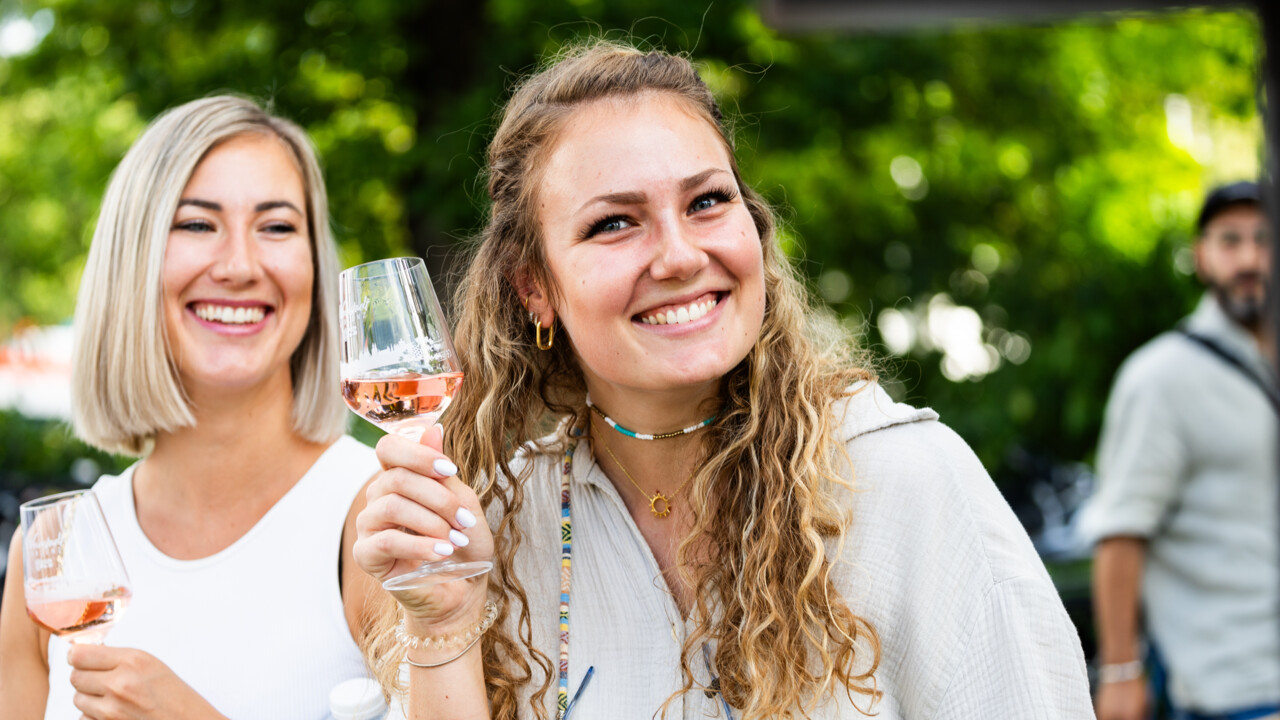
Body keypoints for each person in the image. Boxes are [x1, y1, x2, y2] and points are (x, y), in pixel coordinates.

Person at [353, 41, 1093, 719]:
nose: (678, 255)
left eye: (707, 202)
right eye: (615, 223)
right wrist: (443, 620)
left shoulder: (902, 482)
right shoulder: (508, 524)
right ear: (534, 289)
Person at [0, 95, 387, 719]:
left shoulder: (377, 518)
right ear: (133, 260)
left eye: (278, 226)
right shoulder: (55, 549)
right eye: (197, 224)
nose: (239, 265)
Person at [1083, 181, 1278, 720]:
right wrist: (1121, 675)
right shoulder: (1161, 377)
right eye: (1230, 240)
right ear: (1202, 256)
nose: (1249, 258)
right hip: (1234, 689)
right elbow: (1121, 533)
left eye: (1264, 239)